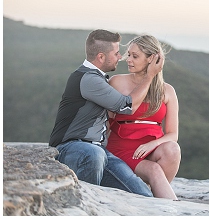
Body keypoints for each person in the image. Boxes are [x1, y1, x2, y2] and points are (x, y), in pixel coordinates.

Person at [48, 29, 162, 197]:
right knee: (94, 154)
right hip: (70, 148)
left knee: (142, 193)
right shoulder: (88, 78)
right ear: (101, 57)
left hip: (99, 152)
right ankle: (87, 204)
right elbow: (127, 106)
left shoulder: (98, 78)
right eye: (116, 53)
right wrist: (149, 76)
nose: (120, 57)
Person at [107, 35, 181, 200]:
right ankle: (171, 208)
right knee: (154, 170)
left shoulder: (167, 91)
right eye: (129, 55)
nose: (128, 60)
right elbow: (107, 120)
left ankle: (153, 195)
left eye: (135, 56)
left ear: (151, 59)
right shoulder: (117, 82)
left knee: (172, 149)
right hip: (123, 148)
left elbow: (172, 135)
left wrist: (152, 145)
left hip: (151, 147)